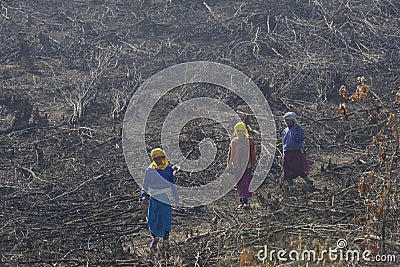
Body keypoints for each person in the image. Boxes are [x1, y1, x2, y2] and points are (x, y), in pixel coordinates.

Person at [141, 148, 179, 250]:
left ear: (163, 158)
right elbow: (145, 185)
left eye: (160, 158)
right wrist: (144, 195)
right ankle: (155, 238)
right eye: (156, 159)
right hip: (154, 199)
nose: (158, 161)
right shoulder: (150, 170)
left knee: (165, 219)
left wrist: (176, 198)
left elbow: (173, 184)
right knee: (152, 219)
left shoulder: (168, 169)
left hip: (165, 198)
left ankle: (166, 240)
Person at [227, 122, 256, 208]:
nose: (240, 132)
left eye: (242, 130)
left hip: (247, 165)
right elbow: (230, 154)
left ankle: (246, 201)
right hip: (237, 166)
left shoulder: (249, 141)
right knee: (239, 183)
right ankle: (241, 201)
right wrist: (229, 164)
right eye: (238, 131)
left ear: (245, 131)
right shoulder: (234, 142)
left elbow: (253, 153)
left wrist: (253, 163)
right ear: (236, 131)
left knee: (246, 183)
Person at [282, 112, 314, 191]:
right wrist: (283, 152)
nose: (287, 122)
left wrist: (296, 132)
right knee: (287, 169)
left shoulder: (298, 128)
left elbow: (301, 138)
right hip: (287, 152)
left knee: (299, 168)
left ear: (293, 120)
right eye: (286, 120)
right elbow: (284, 142)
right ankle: (291, 186)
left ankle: (308, 181)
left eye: (288, 120)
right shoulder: (285, 130)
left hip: (296, 151)